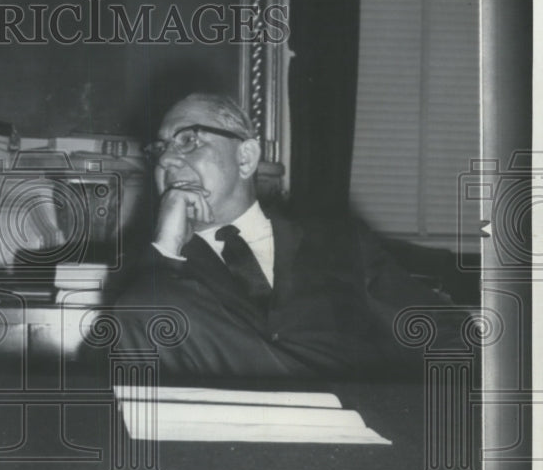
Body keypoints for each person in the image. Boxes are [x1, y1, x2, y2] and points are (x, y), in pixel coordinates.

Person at [109, 93, 444, 380]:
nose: (166, 159)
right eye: (160, 149)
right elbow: (137, 336)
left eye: (187, 141)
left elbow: (441, 334)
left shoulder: (340, 242)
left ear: (245, 157)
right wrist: (167, 249)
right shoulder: (155, 266)